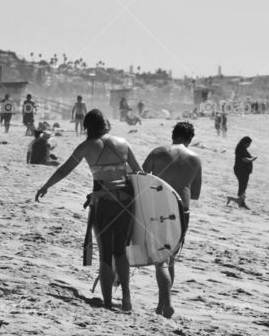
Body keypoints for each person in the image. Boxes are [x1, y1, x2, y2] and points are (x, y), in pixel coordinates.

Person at [35, 109, 141, 311]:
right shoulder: (123, 143)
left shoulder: (85, 147)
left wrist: (46, 186)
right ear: (106, 123)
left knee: (105, 254)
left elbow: (64, 169)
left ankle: (108, 302)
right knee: (120, 252)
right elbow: (139, 173)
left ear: (87, 127)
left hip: (103, 204)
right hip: (125, 203)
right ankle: (127, 299)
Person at [142, 122, 202, 318]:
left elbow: (140, 177)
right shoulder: (195, 159)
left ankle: (166, 304)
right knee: (171, 258)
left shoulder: (158, 152)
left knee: (160, 260)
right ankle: (161, 306)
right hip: (182, 210)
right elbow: (195, 194)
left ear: (173, 135)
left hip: (159, 205)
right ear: (190, 139)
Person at [232, 136, 257, 208]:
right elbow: (243, 159)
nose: (249, 145)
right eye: (249, 144)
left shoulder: (243, 149)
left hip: (244, 170)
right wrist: (252, 160)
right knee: (242, 186)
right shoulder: (240, 149)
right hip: (241, 170)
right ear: (245, 143)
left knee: (243, 186)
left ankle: (241, 202)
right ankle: (241, 202)